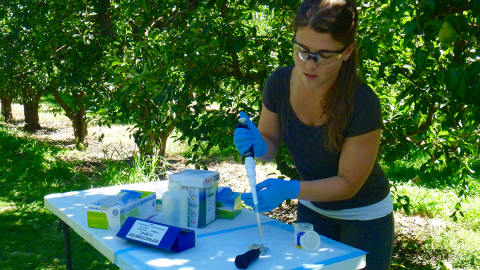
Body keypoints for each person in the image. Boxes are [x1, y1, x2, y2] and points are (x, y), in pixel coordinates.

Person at [233, 0, 394, 269]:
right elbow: (270, 143)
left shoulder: (362, 102)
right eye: (302, 50)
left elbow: (348, 184)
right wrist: (260, 146)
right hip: (313, 210)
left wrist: (290, 189)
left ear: (347, 50)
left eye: (323, 54)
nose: (309, 64)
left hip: (365, 216)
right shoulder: (279, 83)